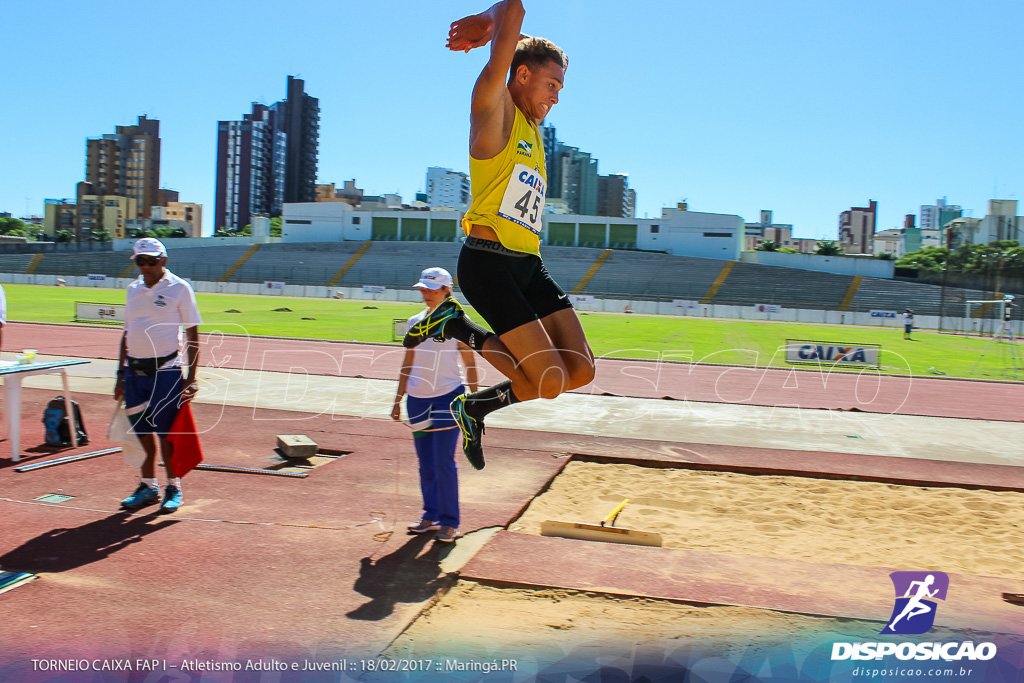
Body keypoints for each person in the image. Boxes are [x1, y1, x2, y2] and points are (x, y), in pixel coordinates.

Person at [403, 0, 595, 471]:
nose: (556, 97)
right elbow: (516, 7)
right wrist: (491, 24)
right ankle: (455, 324)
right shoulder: (496, 109)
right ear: (523, 75)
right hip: (488, 261)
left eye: (560, 88)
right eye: (552, 85)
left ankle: (476, 407)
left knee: (581, 370)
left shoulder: (533, 128)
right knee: (547, 379)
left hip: (529, 264)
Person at [114, 238, 202, 513]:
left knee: (166, 434)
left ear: (164, 260)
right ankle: (148, 486)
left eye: (151, 261)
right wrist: (119, 374)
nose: (146, 266)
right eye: (141, 261)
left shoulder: (180, 288)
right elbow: (127, 334)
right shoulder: (132, 290)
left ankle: (173, 487)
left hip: (166, 372)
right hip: (134, 374)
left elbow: (192, 334)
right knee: (141, 433)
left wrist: (191, 376)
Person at [392, 268, 479, 543]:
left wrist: (475, 400)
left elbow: (470, 363)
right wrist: (398, 398)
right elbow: (408, 362)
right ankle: (430, 515)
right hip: (417, 402)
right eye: (423, 288)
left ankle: (450, 521)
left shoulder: (459, 323)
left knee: (443, 460)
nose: (425, 293)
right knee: (425, 462)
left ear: (446, 290)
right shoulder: (413, 322)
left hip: (448, 399)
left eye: (432, 288)